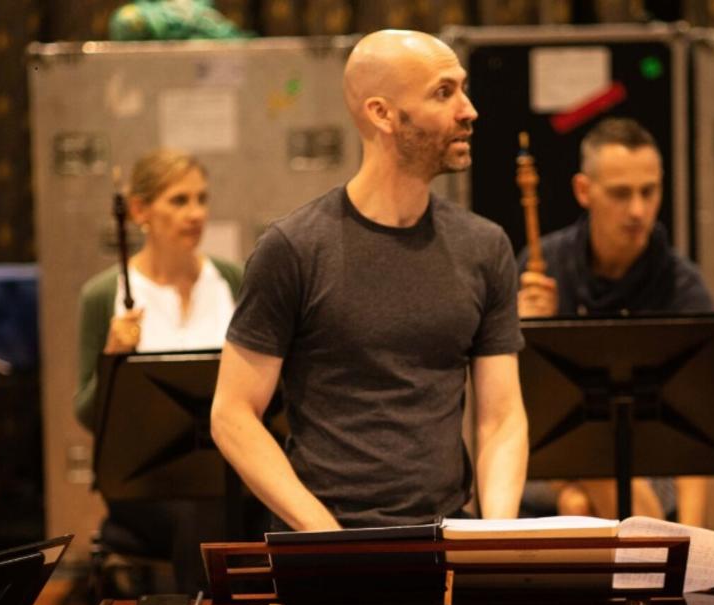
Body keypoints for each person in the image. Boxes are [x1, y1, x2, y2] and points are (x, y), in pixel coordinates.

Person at [211, 29, 529, 532]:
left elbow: (501, 418)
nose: (469, 110)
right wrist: (324, 536)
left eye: (462, 89)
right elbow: (232, 415)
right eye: (444, 93)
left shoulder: (485, 247)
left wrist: (497, 535)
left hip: (445, 535)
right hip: (325, 539)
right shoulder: (293, 248)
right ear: (382, 114)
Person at [516, 117, 714, 523]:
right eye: (621, 194)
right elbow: (512, 405)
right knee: (580, 485)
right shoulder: (542, 266)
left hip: (649, 462)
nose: (638, 210)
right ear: (584, 191)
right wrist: (523, 332)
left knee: (585, 499)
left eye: (649, 191)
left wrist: (695, 543)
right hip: (549, 459)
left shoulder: (682, 286)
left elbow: (700, 431)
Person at [75, 148, 244, 592]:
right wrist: (112, 359)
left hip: (227, 472)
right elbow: (87, 414)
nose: (195, 213)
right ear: (139, 211)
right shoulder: (103, 294)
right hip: (144, 483)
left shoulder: (231, 280)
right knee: (200, 511)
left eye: (201, 199)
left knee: (239, 505)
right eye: (179, 200)